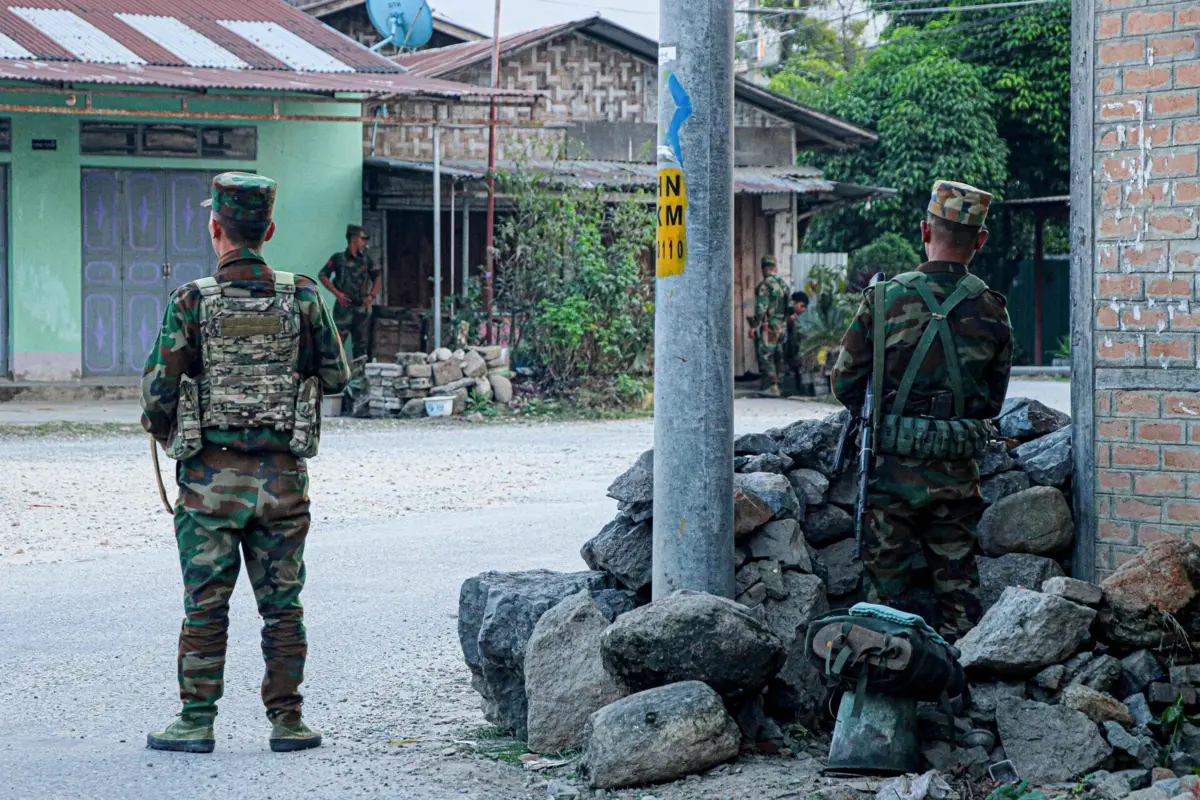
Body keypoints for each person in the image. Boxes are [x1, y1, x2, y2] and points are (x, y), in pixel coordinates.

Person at [141, 172, 351, 753]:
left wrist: (173, 437)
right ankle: (288, 722)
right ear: (270, 229)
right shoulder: (304, 296)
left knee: (205, 605)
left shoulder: (190, 300)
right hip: (283, 480)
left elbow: (157, 394)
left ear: (216, 229)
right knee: (282, 604)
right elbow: (336, 376)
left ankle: (195, 721)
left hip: (210, 483)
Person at [830, 180, 1012, 640]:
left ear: (924, 232)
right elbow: (991, 402)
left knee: (880, 599)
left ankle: (880, 685)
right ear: (981, 240)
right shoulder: (992, 310)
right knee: (959, 593)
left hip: (890, 475)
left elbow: (845, 383)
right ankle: (962, 685)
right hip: (956, 475)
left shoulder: (884, 299)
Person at [319, 224, 379, 361]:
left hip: (362, 308)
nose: (364, 242)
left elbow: (377, 278)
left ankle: (359, 378)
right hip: (344, 308)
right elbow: (323, 275)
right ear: (354, 239)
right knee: (336, 344)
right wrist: (337, 294)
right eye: (362, 239)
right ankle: (332, 375)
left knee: (361, 346)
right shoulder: (338, 258)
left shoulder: (366, 260)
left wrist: (371, 295)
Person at [749, 254, 791, 396]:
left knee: (765, 353)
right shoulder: (784, 285)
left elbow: (761, 308)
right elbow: (789, 307)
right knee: (779, 353)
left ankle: (772, 386)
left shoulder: (766, 285)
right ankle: (780, 383)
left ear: (763, 268)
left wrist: (754, 326)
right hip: (782, 324)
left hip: (770, 325)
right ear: (775, 267)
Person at [785, 290, 811, 396]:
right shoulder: (790, 316)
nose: (803, 309)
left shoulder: (798, 318)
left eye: (804, 307)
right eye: (801, 305)